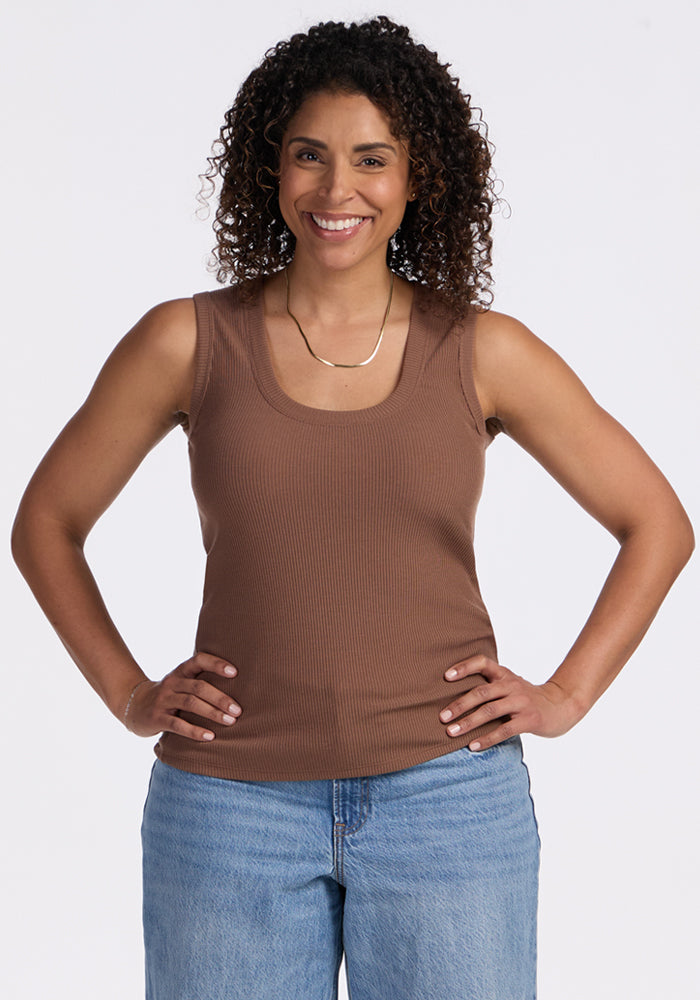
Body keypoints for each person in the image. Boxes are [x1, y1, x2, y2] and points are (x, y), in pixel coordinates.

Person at [11, 15, 693, 1000]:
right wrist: (127, 693)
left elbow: (656, 521)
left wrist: (566, 694)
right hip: (228, 806)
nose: (337, 191)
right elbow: (46, 522)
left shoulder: (481, 350)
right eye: (309, 156)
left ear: (418, 179)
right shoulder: (185, 342)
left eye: (372, 160)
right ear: (272, 169)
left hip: (448, 801)